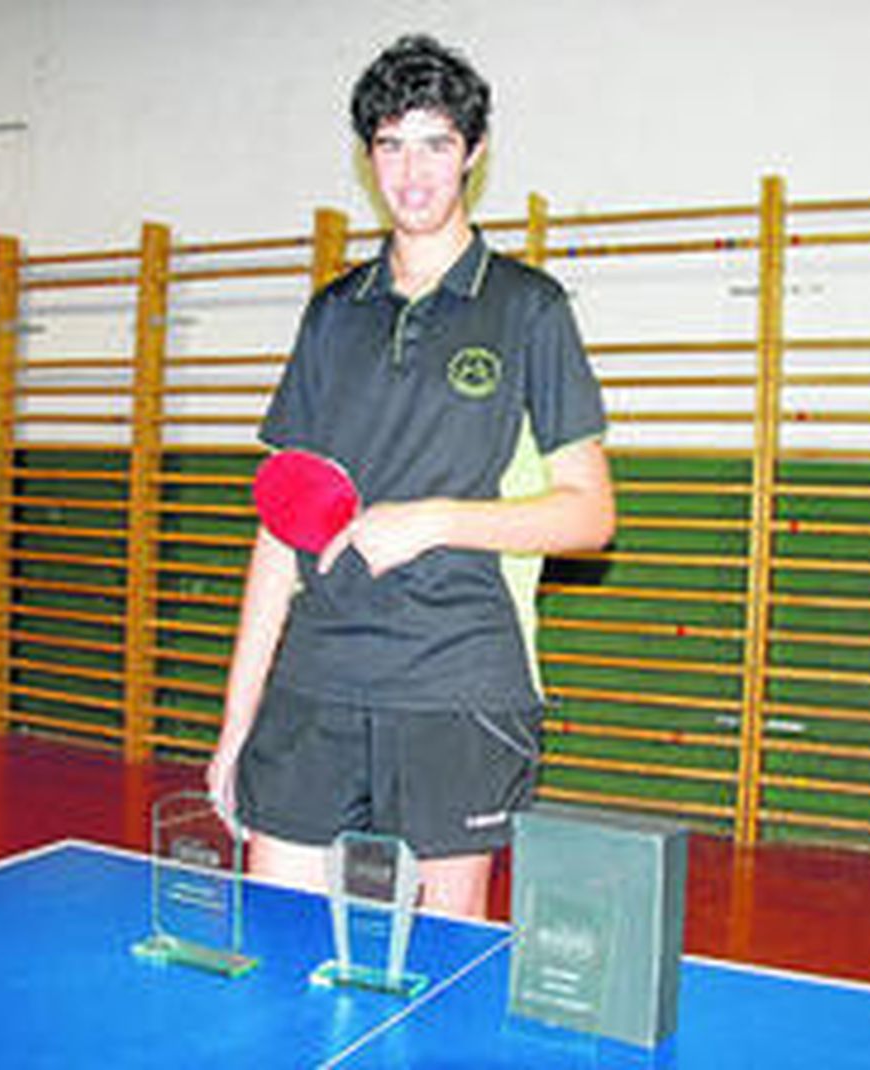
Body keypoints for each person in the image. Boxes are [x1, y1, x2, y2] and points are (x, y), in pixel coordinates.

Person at [206, 34, 614, 919]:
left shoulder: (528, 308)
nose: (413, 170)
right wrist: (237, 724)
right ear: (368, 159)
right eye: (391, 144)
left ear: (473, 152)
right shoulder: (330, 314)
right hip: (315, 681)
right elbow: (281, 532)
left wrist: (433, 519)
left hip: (456, 685)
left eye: (435, 142)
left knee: (435, 977)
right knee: (278, 955)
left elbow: (590, 515)